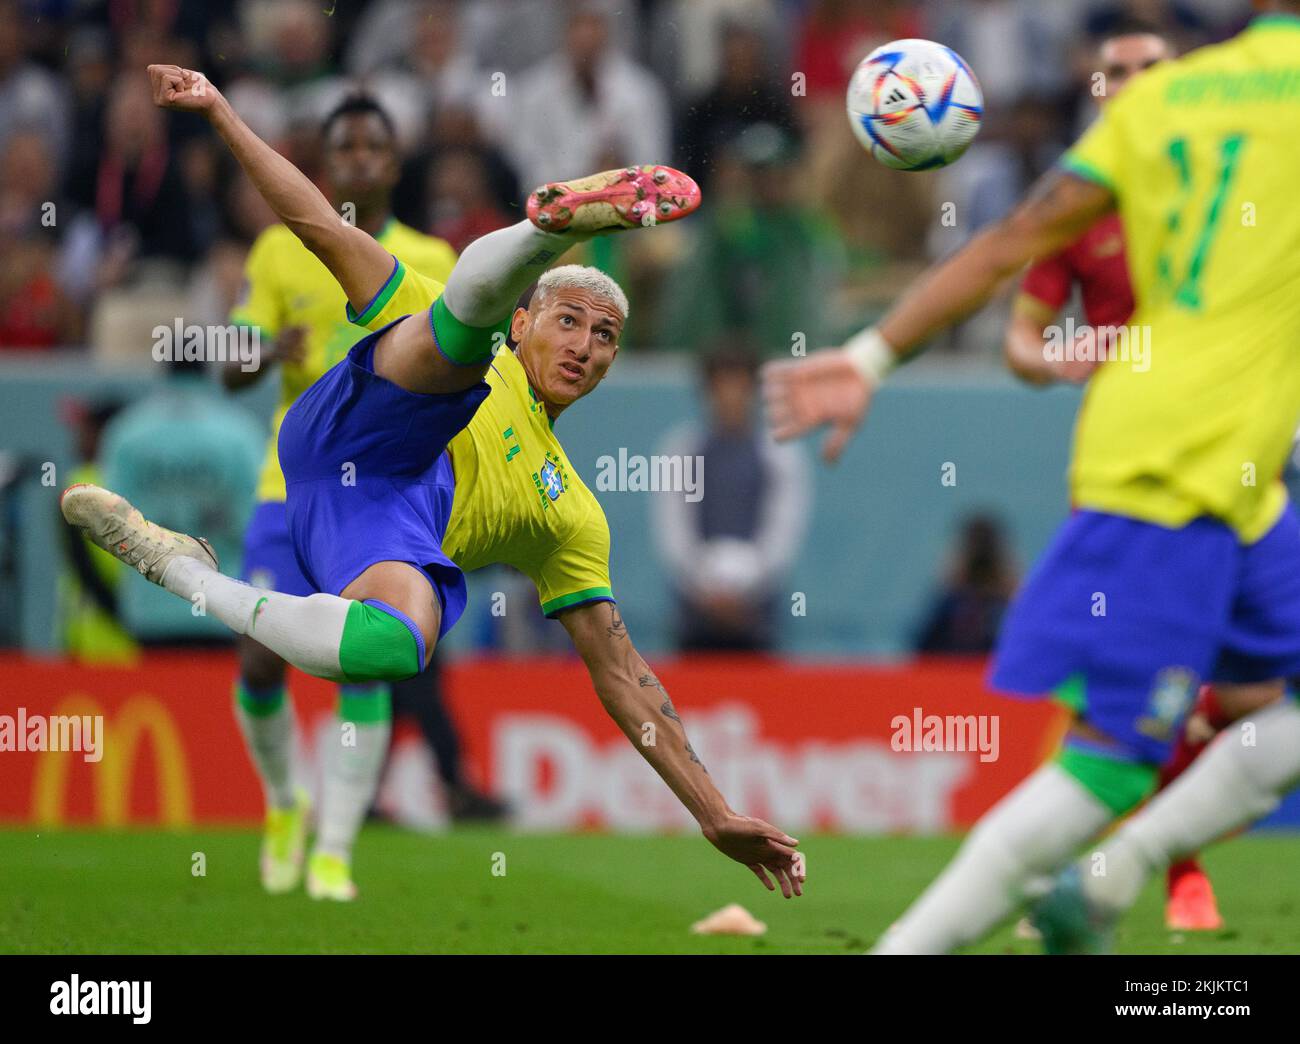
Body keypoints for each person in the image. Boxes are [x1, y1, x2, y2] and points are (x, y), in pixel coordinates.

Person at [63, 63, 806, 901]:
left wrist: (713, 812)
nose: (583, 346)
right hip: (345, 428)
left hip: (369, 525)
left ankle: (184, 570)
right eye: (566, 320)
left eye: (603, 336)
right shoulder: (473, 325)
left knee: (399, 645)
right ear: (530, 322)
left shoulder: (568, 514)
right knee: (457, 345)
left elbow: (625, 675)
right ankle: (547, 229)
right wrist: (221, 112)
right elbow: (313, 222)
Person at [763, 2, 1300, 952]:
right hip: (1176, 466)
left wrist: (872, 356)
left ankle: (1109, 879)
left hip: (1237, 471)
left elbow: (1013, 235)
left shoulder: (1165, 102)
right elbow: (1032, 282)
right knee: (1112, 764)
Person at [223, 93, 500, 902]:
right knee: (256, 652)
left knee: (366, 663)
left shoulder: (434, 258)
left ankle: (335, 848)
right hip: (294, 489)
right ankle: (284, 803)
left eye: (373, 147)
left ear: (394, 162)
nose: (357, 161)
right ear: (325, 162)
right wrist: (265, 349)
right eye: (342, 148)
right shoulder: (281, 248)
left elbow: (466, 378)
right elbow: (227, 363)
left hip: (386, 497)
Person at [1003, 20, 1225, 934]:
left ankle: (1155, 862)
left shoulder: (1224, 187)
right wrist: (1055, 354)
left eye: (1149, 68)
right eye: (1115, 72)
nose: (1130, 82)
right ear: (1097, 93)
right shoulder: (1079, 207)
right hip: (1118, 461)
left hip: (1227, 448)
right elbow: (1020, 337)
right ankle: (1107, 871)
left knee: (1224, 684)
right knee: (1110, 673)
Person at [653, 345, 810, 652]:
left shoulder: (781, 454)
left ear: (754, 392)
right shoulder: (680, 449)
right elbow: (673, 529)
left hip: (758, 610)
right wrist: (705, 587)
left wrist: (744, 588)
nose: (730, 397)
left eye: (740, 387)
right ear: (707, 392)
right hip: (695, 608)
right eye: (721, 387)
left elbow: (783, 531)